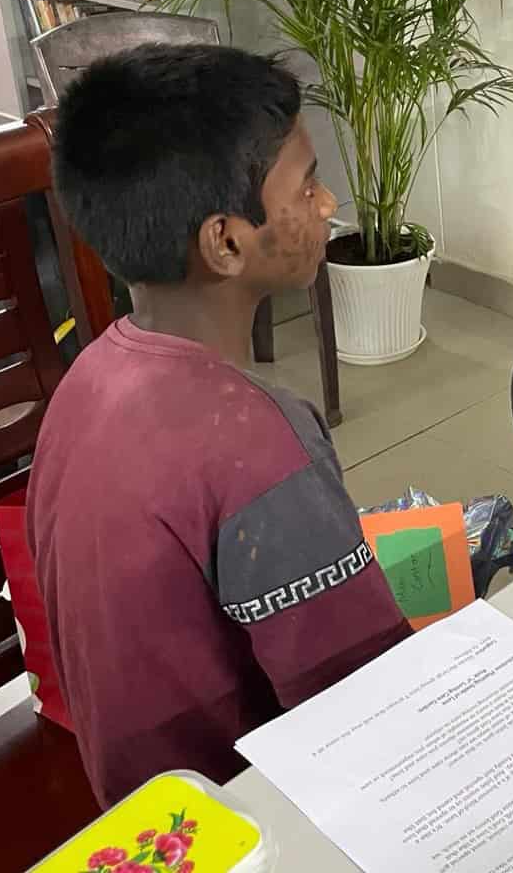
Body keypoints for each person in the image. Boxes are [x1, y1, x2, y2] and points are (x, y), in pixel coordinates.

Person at [27, 44, 411, 807]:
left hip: (140, 813)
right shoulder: (258, 439)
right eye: (305, 187)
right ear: (226, 242)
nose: (328, 203)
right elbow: (371, 711)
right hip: (253, 822)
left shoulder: (89, 381)